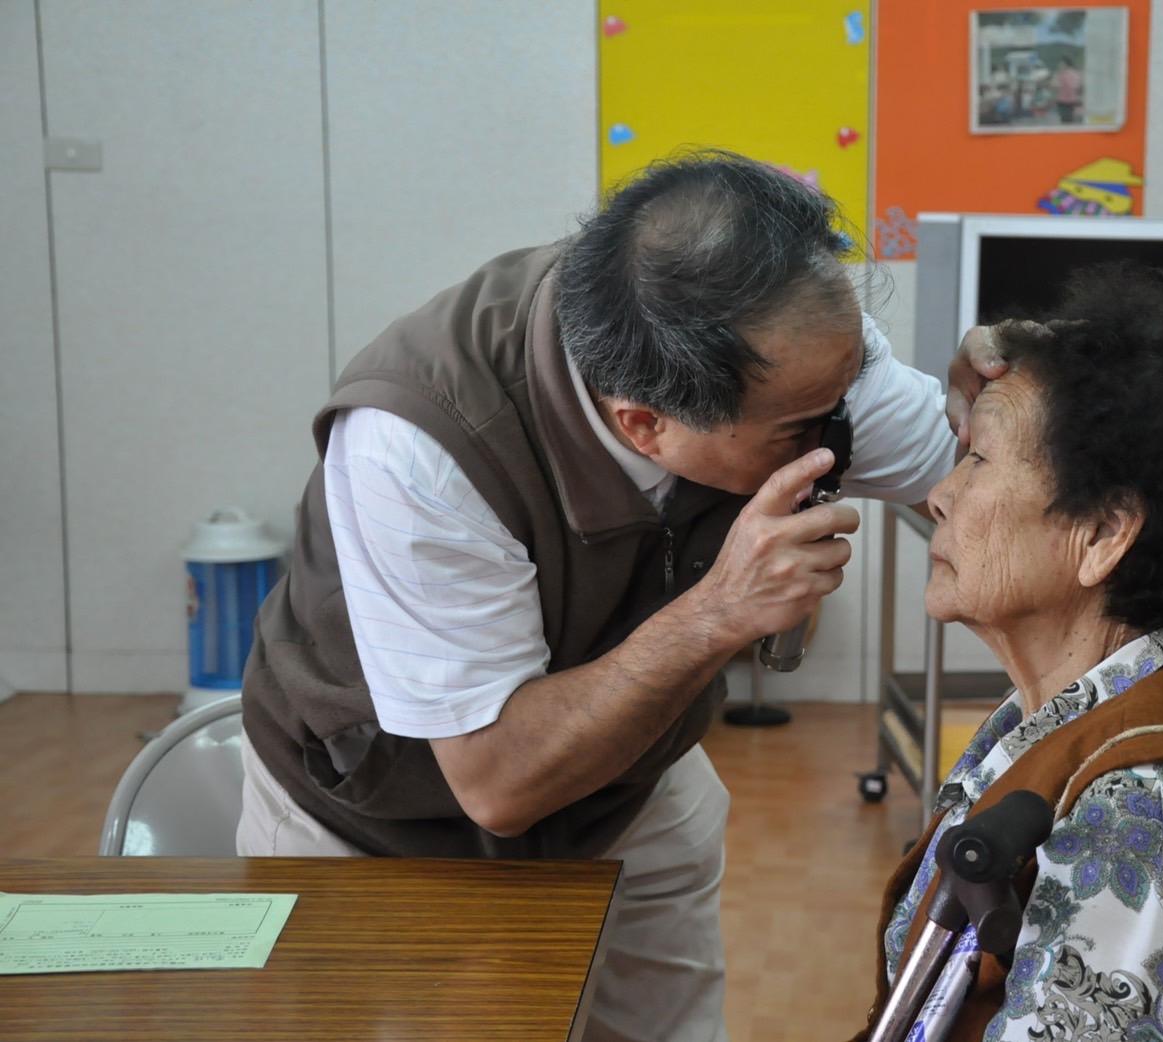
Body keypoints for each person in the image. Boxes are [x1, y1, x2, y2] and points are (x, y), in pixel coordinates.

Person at [237, 150, 969, 1042]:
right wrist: (717, 613)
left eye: (848, 382)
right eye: (802, 427)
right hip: (384, 820)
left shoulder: (803, 370)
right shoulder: (422, 444)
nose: (837, 434)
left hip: (633, 784)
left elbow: (983, 489)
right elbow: (499, 782)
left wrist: (1042, 404)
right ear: (645, 425)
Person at [857, 264, 1163, 1042]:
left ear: (1101, 534)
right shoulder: (1060, 710)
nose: (940, 494)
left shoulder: (1140, 810)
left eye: (980, 460)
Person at [1052, 55, 1082, 124]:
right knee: (1070, 119)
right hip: (1072, 100)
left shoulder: (1062, 74)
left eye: (1061, 64)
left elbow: (1055, 85)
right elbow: (1077, 87)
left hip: (1062, 100)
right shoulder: (1075, 74)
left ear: (1065, 64)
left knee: (1064, 120)